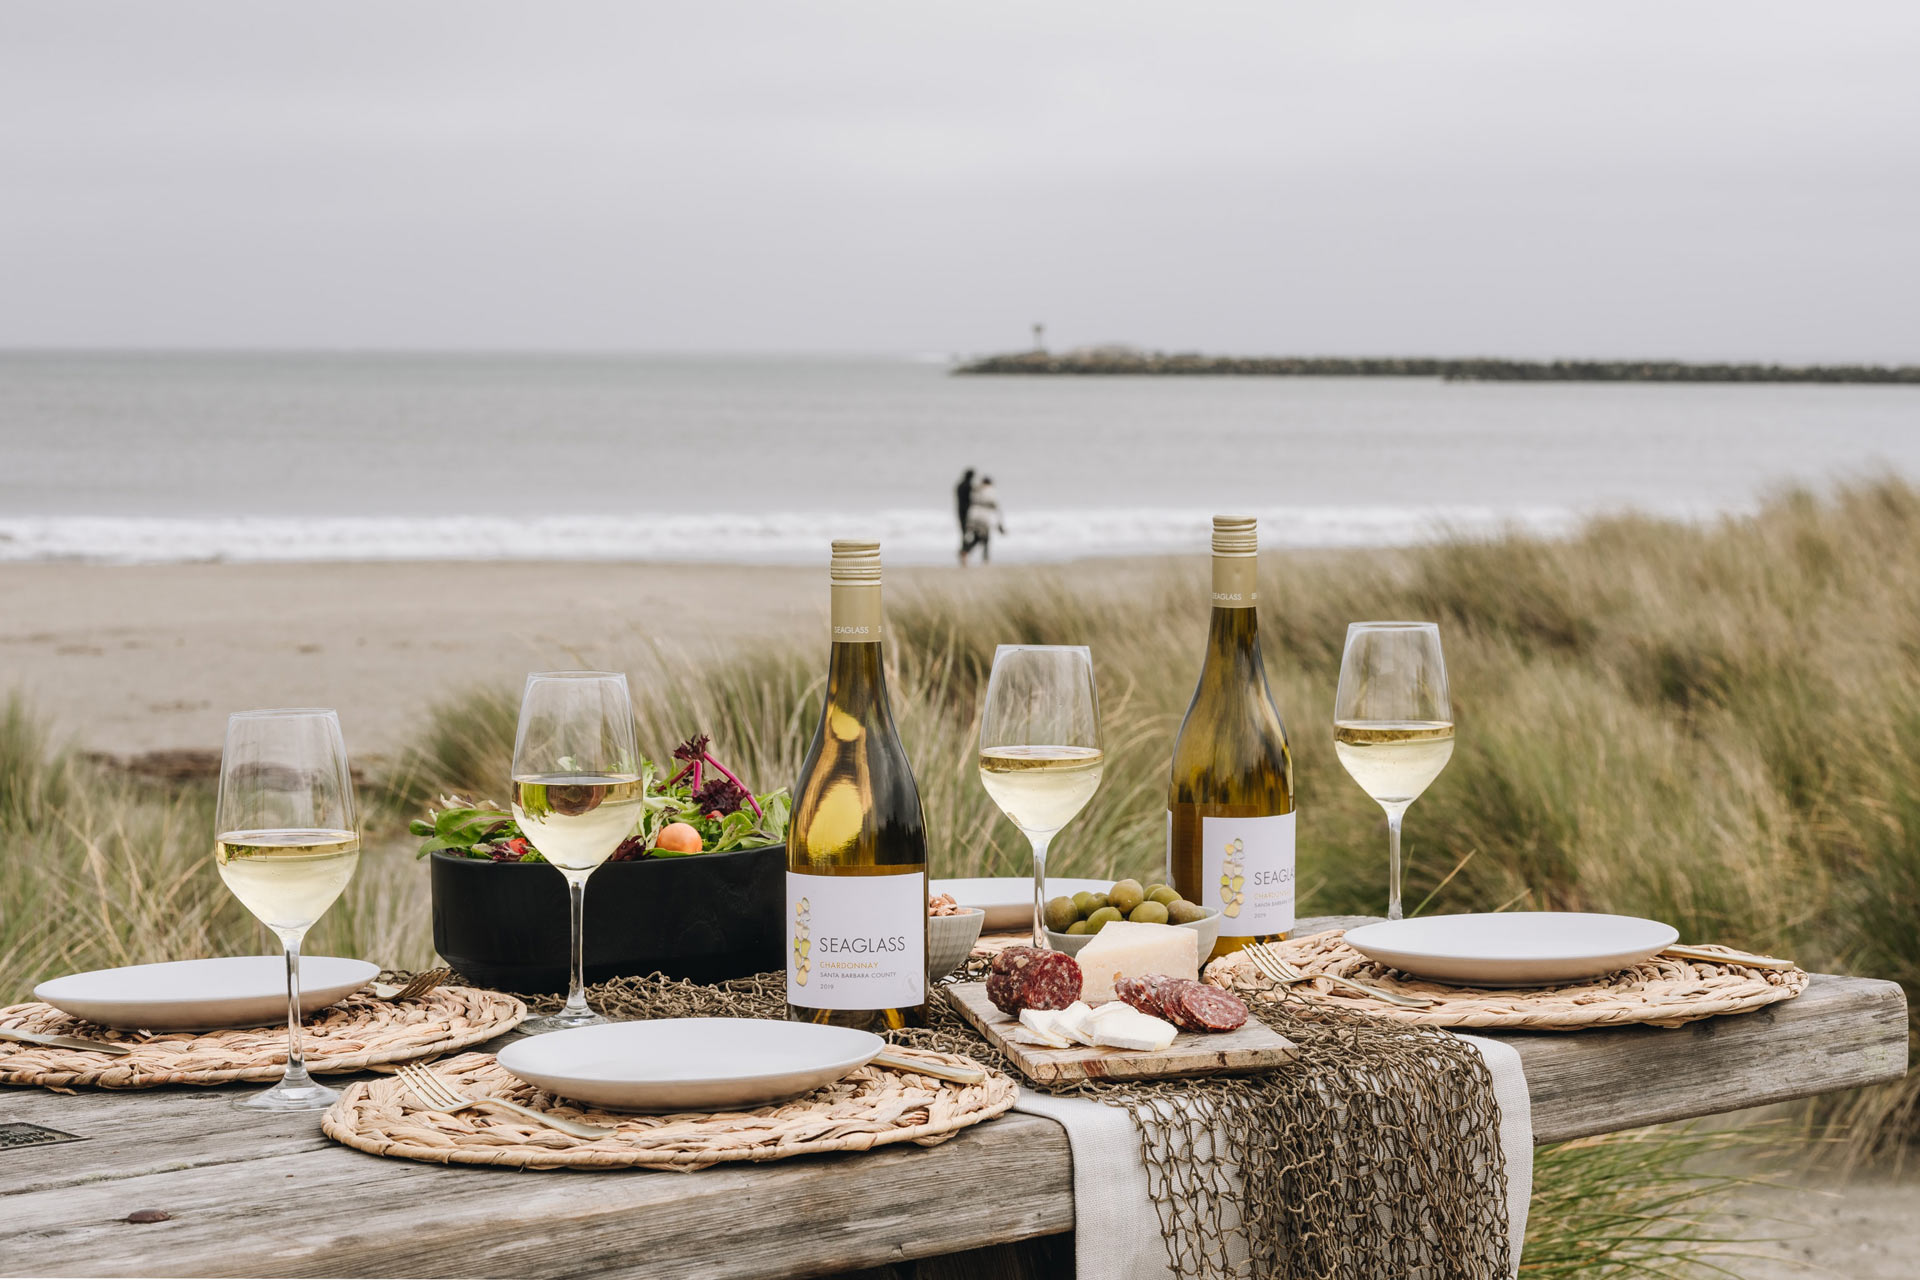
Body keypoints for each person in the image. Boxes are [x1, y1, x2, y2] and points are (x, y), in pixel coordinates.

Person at [962, 475, 1005, 566]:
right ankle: (985, 558)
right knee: (985, 538)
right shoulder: (991, 490)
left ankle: (966, 551)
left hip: (973, 516)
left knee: (975, 536)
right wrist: (1000, 522)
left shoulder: (976, 490)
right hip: (984, 517)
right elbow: (994, 506)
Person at [954, 468, 975, 565]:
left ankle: (964, 552)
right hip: (968, 513)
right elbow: (972, 500)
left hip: (959, 512)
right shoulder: (969, 486)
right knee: (970, 534)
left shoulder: (959, 485)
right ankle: (964, 552)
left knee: (964, 534)